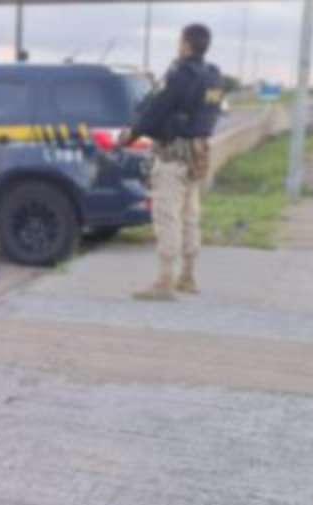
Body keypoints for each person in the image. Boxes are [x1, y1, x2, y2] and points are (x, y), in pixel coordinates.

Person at [120, 23, 223, 301]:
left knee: (168, 217)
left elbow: (156, 109)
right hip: (197, 154)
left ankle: (165, 282)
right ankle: (188, 276)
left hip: (172, 155)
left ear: (186, 44)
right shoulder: (213, 76)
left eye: (180, 40)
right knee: (190, 216)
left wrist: (132, 133)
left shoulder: (179, 74)